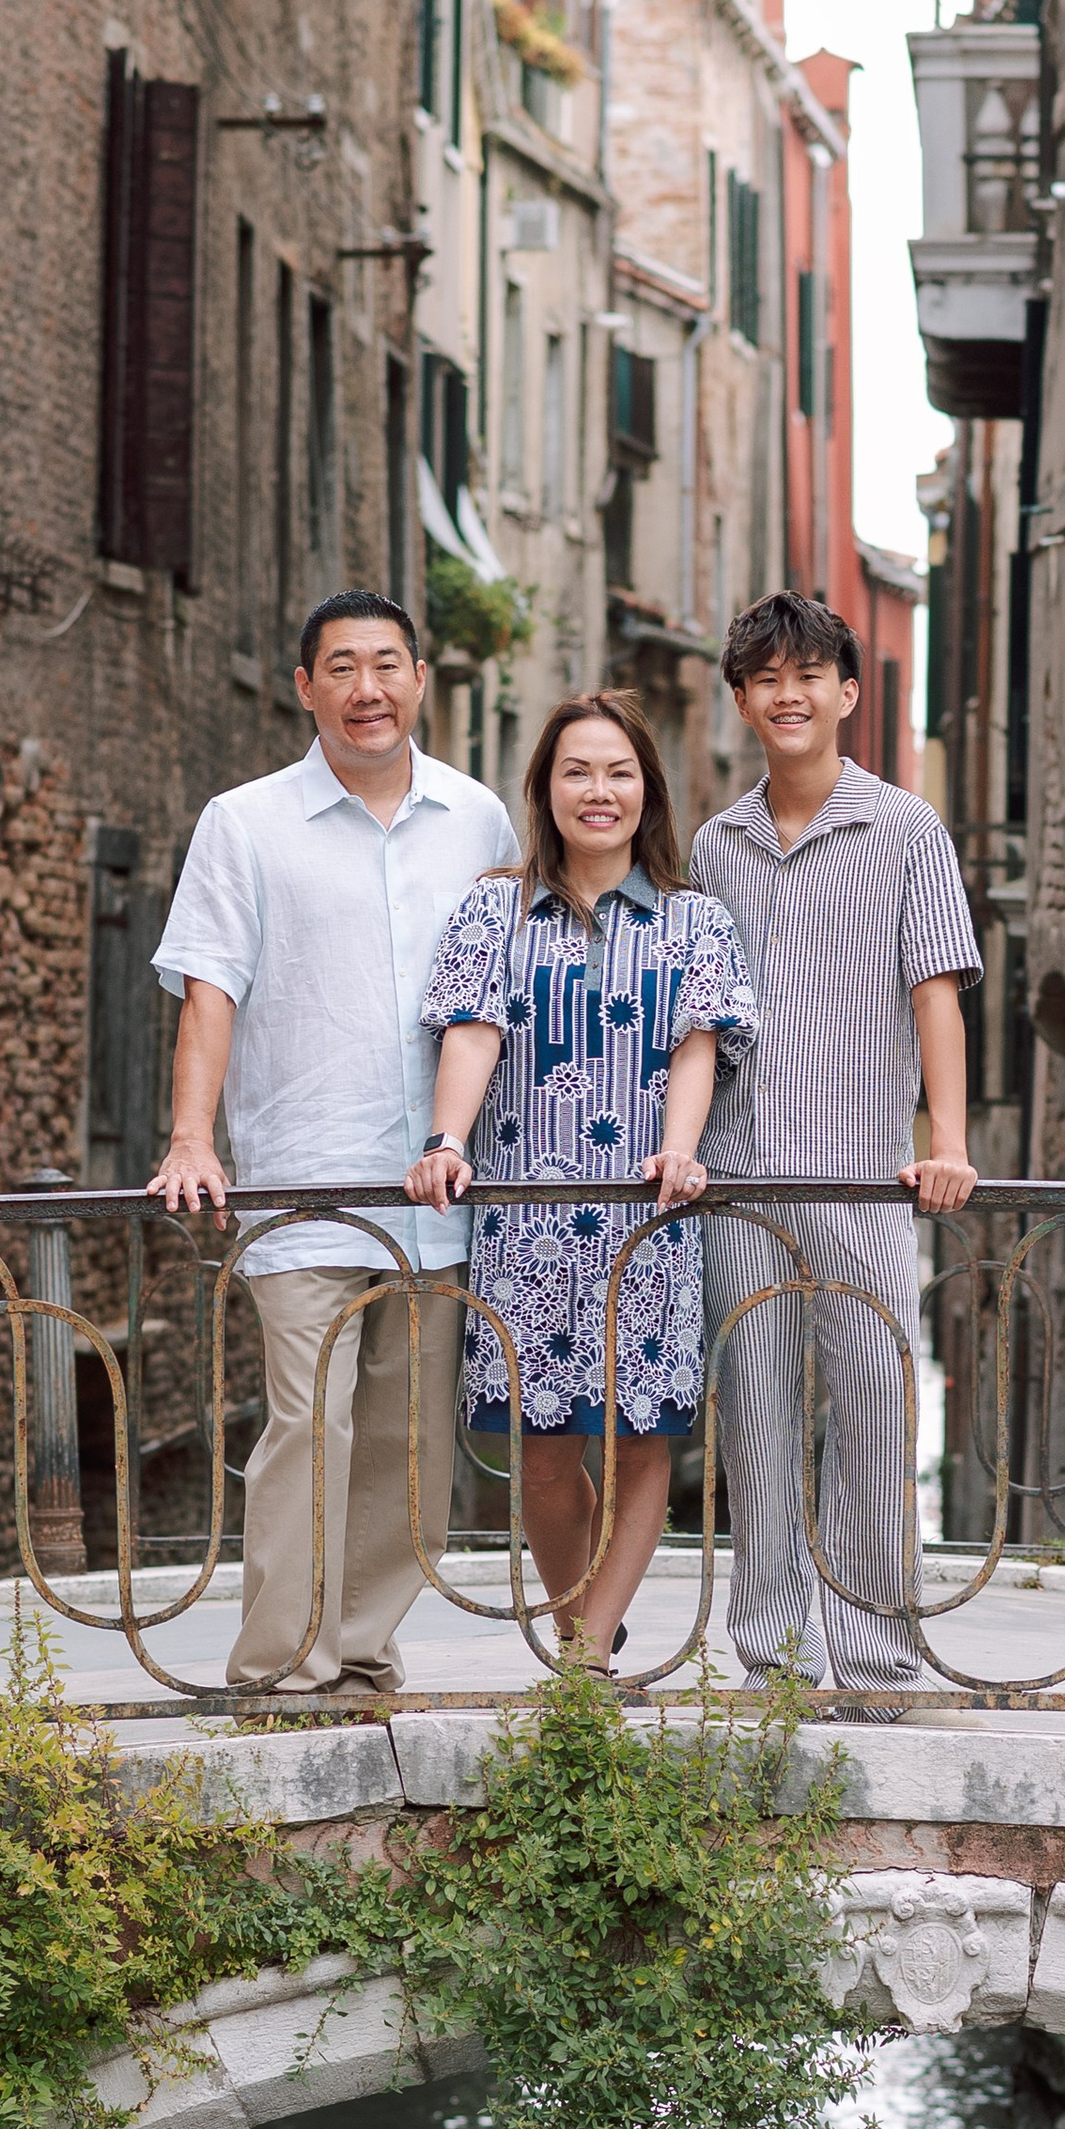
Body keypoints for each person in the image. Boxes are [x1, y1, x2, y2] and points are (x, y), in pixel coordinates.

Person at [147, 593, 516, 1697]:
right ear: (304, 686)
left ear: (419, 680)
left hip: (439, 1186)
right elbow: (210, 985)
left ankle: (360, 1647)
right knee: (309, 1422)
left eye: (388, 664)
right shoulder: (244, 821)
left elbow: (498, 994)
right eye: (343, 666)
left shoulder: (480, 820)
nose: (369, 687)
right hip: (302, 1172)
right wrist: (190, 1136)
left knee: (410, 1439)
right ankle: (278, 1667)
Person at [406, 691, 756, 1665]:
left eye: (617, 771)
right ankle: (583, 1631)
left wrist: (681, 1147)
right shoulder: (493, 906)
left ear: (646, 789)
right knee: (543, 1453)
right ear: (545, 788)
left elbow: (699, 1043)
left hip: (650, 1216)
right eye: (576, 771)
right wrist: (445, 1138)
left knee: (646, 1443)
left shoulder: (694, 918)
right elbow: (473, 1029)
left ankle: (586, 1656)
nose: (597, 790)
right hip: (525, 1226)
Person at [691, 592, 983, 1718]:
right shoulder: (714, 847)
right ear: (742, 701)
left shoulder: (907, 830)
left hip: (864, 1172)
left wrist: (944, 1142)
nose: (788, 693)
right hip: (741, 1176)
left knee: (870, 1411)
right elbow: (699, 1026)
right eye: (765, 677)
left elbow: (936, 994)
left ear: (848, 693)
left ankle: (873, 1663)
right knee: (756, 1417)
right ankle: (769, 1658)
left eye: (808, 673)